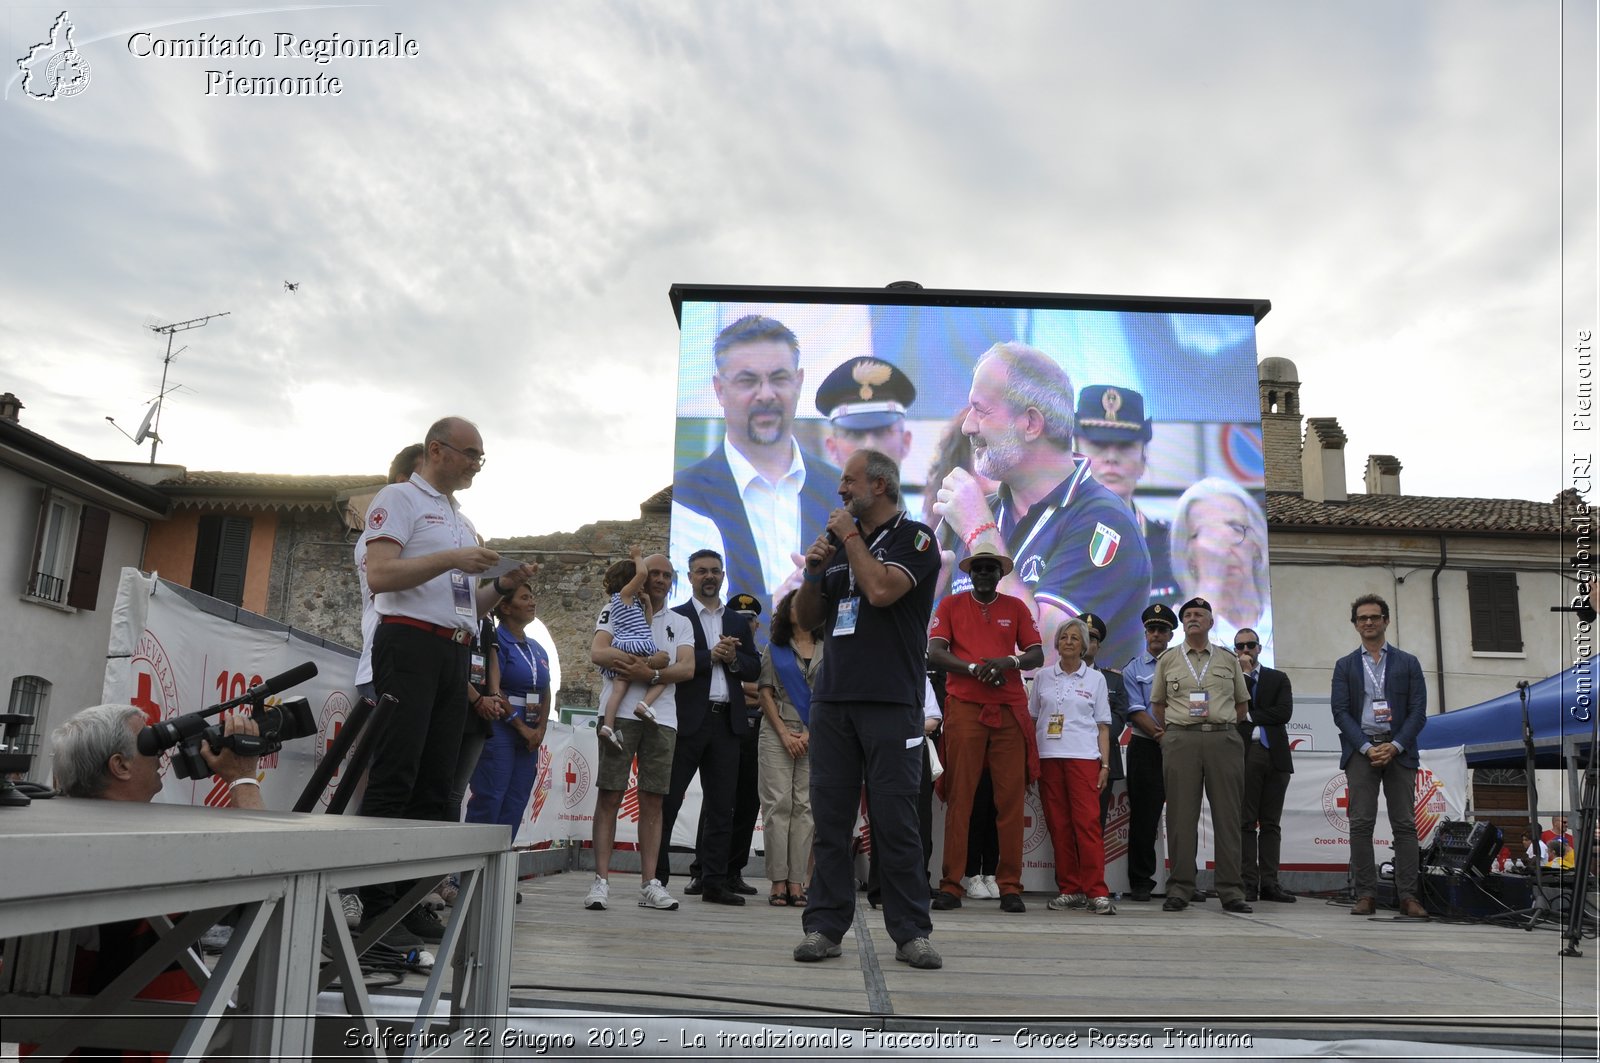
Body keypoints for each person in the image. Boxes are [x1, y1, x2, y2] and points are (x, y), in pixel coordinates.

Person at [357, 416, 536, 943]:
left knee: (437, 786)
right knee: (396, 774)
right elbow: (381, 575)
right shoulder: (398, 498)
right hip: (408, 643)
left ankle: (411, 898)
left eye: (481, 455)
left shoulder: (458, 518)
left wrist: (501, 584)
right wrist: (454, 558)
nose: (477, 463)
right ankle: (375, 904)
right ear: (437, 451)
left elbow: (467, 609)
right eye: (470, 453)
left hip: (453, 651)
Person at [791, 449, 943, 970]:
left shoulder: (916, 537)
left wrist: (849, 539)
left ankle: (910, 933)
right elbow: (807, 620)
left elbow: (880, 590)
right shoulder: (838, 545)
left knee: (895, 822)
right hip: (833, 700)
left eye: (848, 482)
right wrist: (814, 572)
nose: (840, 491)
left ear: (879, 485)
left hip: (891, 701)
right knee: (830, 821)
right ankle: (824, 927)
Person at [932, 342, 1152, 668]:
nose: (969, 426)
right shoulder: (977, 513)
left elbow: (1045, 654)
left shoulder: (1104, 522)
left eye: (981, 410)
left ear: (1032, 424)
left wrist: (980, 533)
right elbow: (925, 651)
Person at [671, 314, 839, 611]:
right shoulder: (686, 494)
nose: (766, 394)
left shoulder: (838, 489)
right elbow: (685, 613)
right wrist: (775, 607)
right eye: (748, 381)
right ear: (719, 390)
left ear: (798, 383)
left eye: (779, 378)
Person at [926, 542, 1044, 913]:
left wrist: (1008, 661)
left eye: (991, 568)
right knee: (961, 798)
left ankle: (1009, 885)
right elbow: (935, 653)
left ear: (1000, 573)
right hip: (964, 708)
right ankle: (951, 884)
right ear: (969, 572)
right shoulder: (950, 605)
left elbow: (1036, 653)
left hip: (1008, 710)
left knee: (1009, 800)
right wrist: (975, 668)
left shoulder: (1016, 607)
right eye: (978, 568)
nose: (984, 574)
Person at [587, 553, 695, 913]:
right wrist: (647, 665)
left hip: (661, 717)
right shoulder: (614, 608)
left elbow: (686, 668)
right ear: (642, 575)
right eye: (655, 573)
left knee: (653, 800)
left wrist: (643, 672)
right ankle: (600, 881)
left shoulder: (680, 621)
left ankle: (650, 883)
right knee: (610, 795)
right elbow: (598, 653)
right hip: (618, 714)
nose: (661, 579)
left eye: (667, 574)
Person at [656, 549, 761, 906]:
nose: (709, 577)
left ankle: (714, 882)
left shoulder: (735, 620)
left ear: (723, 575)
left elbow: (753, 668)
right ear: (690, 576)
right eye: (702, 571)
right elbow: (670, 664)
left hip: (727, 722)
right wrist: (709, 657)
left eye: (715, 571)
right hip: (686, 720)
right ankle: (657, 878)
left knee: (722, 807)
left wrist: (733, 659)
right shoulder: (677, 617)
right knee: (668, 802)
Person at [1331, 593, 1429, 919]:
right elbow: (1340, 712)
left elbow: (1418, 712)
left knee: (1404, 825)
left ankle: (1408, 897)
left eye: (1374, 617)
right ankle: (1366, 895)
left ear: (1386, 620)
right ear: (1355, 625)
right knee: (1360, 824)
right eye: (1363, 618)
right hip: (1362, 752)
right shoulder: (1345, 665)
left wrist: (1396, 745)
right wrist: (1366, 747)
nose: (1369, 622)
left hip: (1399, 751)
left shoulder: (1408, 663)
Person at [1151, 596, 1252, 914]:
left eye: (1200, 614)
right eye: (1188, 614)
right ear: (1183, 624)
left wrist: (1219, 727)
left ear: (1210, 622)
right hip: (1182, 741)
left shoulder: (1227, 659)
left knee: (1228, 817)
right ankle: (1181, 887)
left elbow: (1241, 705)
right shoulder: (1168, 660)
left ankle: (1231, 890)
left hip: (1223, 740)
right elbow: (1158, 706)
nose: (1193, 618)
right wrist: (1175, 736)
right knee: (1181, 817)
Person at [1031, 617, 1116, 915]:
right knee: (1059, 826)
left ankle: (1097, 891)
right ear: (1056, 643)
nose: (1068, 641)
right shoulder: (1042, 677)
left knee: (1087, 826)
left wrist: (1105, 765)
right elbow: (1033, 720)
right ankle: (1070, 889)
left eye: (1075, 638)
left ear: (1084, 646)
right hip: (1049, 758)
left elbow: (1103, 726)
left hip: (1084, 758)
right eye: (1064, 637)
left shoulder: (1096, 679)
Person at [1073, 384, 1179, 601]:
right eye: (1097, 444)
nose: (1111, 457)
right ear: (1074, 455)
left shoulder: (1173, 550)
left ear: (1144, 460)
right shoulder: (1048, 540)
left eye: (1125, 446)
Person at [52, 703, 263, 807]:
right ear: (121, 766)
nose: (160, 756)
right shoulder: (141, 838)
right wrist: (242, 776)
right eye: (149, 744)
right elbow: (263, 857)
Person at [465, 583, 551, 829]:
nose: (533, 602)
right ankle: (471, 865)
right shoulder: (497, 640)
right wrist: (520, 726)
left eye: (533, 597)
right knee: (491, 795)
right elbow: (494, 687)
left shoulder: (537, 647)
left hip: (531, 732)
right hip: (503, 726)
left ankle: (500, 864)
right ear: (505, 607)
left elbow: (546, 689)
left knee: (517, 799)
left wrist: (540, 729)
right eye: (525, 598)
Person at [757, 589, 821, 906]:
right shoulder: (776, 648)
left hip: (815, 733)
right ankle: (777, 881)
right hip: (777, 731)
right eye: (793, 605)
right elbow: (765, 693)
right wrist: (784, 733)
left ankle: (798, 882)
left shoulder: (829, 648)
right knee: (778, 806)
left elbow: (829, 695)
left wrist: (810, 732)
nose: (799, 609)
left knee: (805, 809)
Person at [1170, 477, 1274, 665]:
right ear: (1188, 554)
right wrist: (1210, 584)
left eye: (1234, 528)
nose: (1222, 546)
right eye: (1207, 534)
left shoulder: (1279, 618)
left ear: (1256, 545)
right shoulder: (1173, 632)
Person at [1120, 602, 1178, 902]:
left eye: (1162, 630)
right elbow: (1135, 710)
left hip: (1182, 746)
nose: (1156, 634)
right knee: (1143, 816)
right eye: (1152, 629)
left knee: (1184, 814)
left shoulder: (1183, 663)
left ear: (1170, 635)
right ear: (1145, 633)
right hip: (1146, 746)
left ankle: (1184, 880)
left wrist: (1175, 737)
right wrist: (1162, 736)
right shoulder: (1133, 668)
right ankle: (1141, 881)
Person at [1234, 627, 1296, 903]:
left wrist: (1252, 716)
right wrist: (1245, 676)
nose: (1245, 651)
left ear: (1259, 648)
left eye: (1250, 645)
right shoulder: (1232, 678)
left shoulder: (1277, 678)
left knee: (1271, 823)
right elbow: (1235, 711)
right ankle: (1248, 882)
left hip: (1276, 756)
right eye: (1240, 647)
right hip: (1247, 754)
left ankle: (1270, 882)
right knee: (1246, 822)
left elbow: (1284, 713)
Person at [817, 355, 920, 514]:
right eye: (855, 434)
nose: (869, 445)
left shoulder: (931, 527)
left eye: (882, 432)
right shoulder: (810, 527)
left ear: (905, 442)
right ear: (832, 449)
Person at [595, 546, 671, 749]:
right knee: (663, 674)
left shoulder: (629, 603)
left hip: (625, 645)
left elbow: (648, 623)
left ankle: (608, 728)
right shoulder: (625, 595)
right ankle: (644, 705)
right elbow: (643, 572)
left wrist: (646, 604)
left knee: (618, 691)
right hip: (638, 644)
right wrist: (637, 556)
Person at [1078, 611, 1128, 830]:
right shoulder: (1054, 677)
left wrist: (1092, 737)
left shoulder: (1113, 679)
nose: (1089, 642)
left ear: (1099, 645)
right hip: (1067, 755)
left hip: (1101, 758)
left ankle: (1092, 866)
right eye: (1083, 636)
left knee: (1095, 824)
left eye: (1093, 638)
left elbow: (1119, 716)